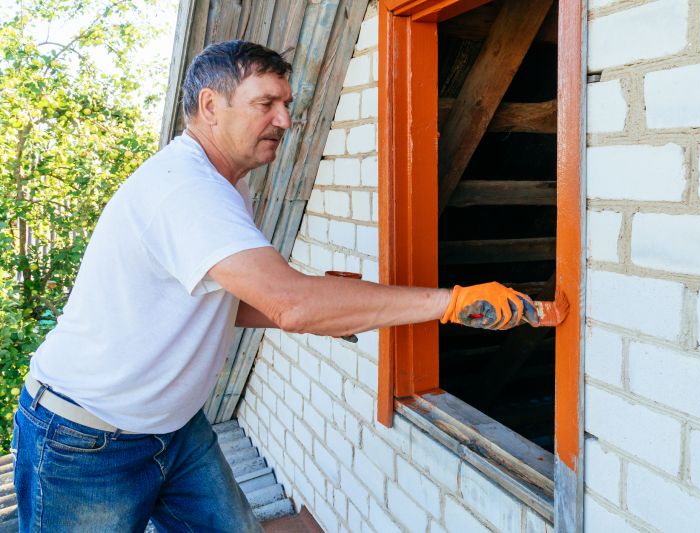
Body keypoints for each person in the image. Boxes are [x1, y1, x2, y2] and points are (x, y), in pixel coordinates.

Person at [12, 40, 569, 532]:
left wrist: (339, 307)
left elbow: (226, 305)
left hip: (173, 428)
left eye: (287, 105)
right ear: (210, 106)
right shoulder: (186, 191)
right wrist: (454, 302)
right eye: (266, 104)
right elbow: (290, 304)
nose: (284, 119)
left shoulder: (226, 185)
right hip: (86, 441)